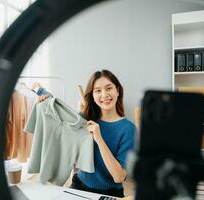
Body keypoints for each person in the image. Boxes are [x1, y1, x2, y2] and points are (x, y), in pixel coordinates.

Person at [38, 69, 136, 197]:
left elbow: (119, 177)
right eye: (98, 90)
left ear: (117, 90)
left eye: (108, 88)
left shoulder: (128, 129)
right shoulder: (83, 120)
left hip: (109, 193)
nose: (104, 94)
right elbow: (58, 126)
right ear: (93, 96)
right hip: (79, 185)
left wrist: (99, 138)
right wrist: (48, 102)